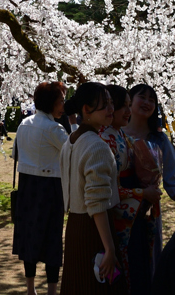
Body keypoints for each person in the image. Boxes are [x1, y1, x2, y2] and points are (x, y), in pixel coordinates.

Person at [59, 82, 124, 294]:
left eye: (111, 104)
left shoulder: (71, 140)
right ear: (86, 110)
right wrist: (109, 247)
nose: (111, 110)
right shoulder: (96, 145)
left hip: (74, 227)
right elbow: (96, 203)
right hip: (93, 229)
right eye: (104, 105)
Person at [100, 85, 162, 294]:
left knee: (138, 267)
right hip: (116, 211)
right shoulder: (104, 138)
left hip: (134, 211)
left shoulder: (120, 135)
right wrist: (143, 193)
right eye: (122, 106)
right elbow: (107, 189)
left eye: (128, 105)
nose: (127, 111)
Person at [12, 81, 68, 295]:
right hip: (50, 185)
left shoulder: (24, 123)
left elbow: (16, 155)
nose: (63, 105)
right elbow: (71, 152)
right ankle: (52, 290)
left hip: (27, 185)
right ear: (51, 102)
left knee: (29, 236)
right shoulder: (54, 128)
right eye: (61, 100)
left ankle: (30, 289)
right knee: (52, 238)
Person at [122, 83, 175, 271]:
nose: (147, 103)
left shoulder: (159, 138)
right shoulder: (115, 134)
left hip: (149, 210)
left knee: (147, 263)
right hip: (119, 205)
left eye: (152, 100)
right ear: (129, 101)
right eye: (142, 97)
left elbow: (173, 175)